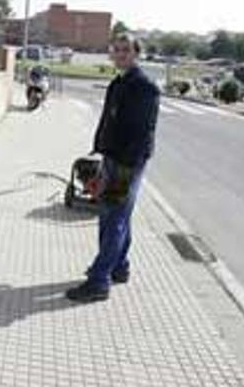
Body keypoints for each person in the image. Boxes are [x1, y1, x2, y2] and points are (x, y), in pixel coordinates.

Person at [66, 33, 159, 303]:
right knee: (120, 217)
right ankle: (119, 267)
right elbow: (110, 120)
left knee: (112, 219)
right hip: (112, 159)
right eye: (116, 50)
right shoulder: (120, 82)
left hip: (125, 164)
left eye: (126, 50)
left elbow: (142, 132)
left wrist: (122, 168)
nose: (120, 54)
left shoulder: (143, 86)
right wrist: (100, 149)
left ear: (136, 53)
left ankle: (99, 281)